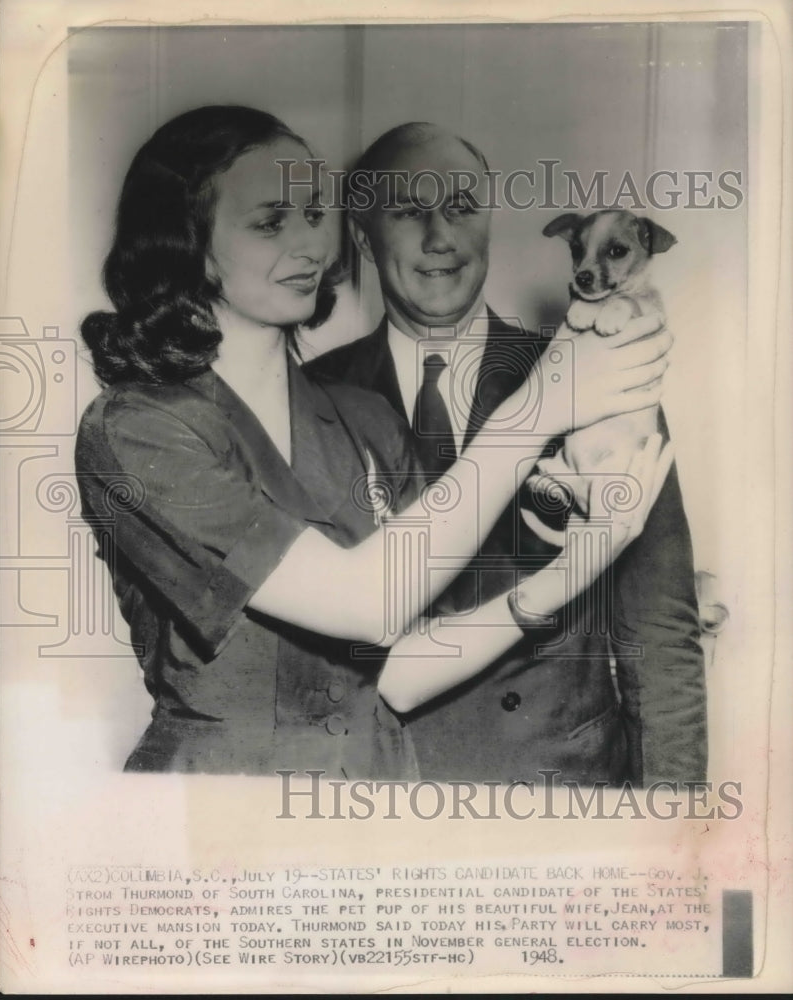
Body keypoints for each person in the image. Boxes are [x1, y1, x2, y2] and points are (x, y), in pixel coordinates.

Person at [75, 106, 671, 778]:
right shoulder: (136, 430)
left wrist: (581, 563)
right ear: (187, 245)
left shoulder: (365, 419)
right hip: (222, 818)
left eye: (313, 214)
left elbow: (403, 672)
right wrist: (542, 404)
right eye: (271, 221)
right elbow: (365, 603)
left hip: (375, 801)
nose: (311, 246)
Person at [304, 122, 707, 787]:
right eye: (408, 211)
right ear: (362, 236)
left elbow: (661, 631)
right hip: (382, 797)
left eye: (462, 208)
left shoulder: (598, 365)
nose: (440, 237)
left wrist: (673, 824)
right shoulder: (313, 394)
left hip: (560, 789)